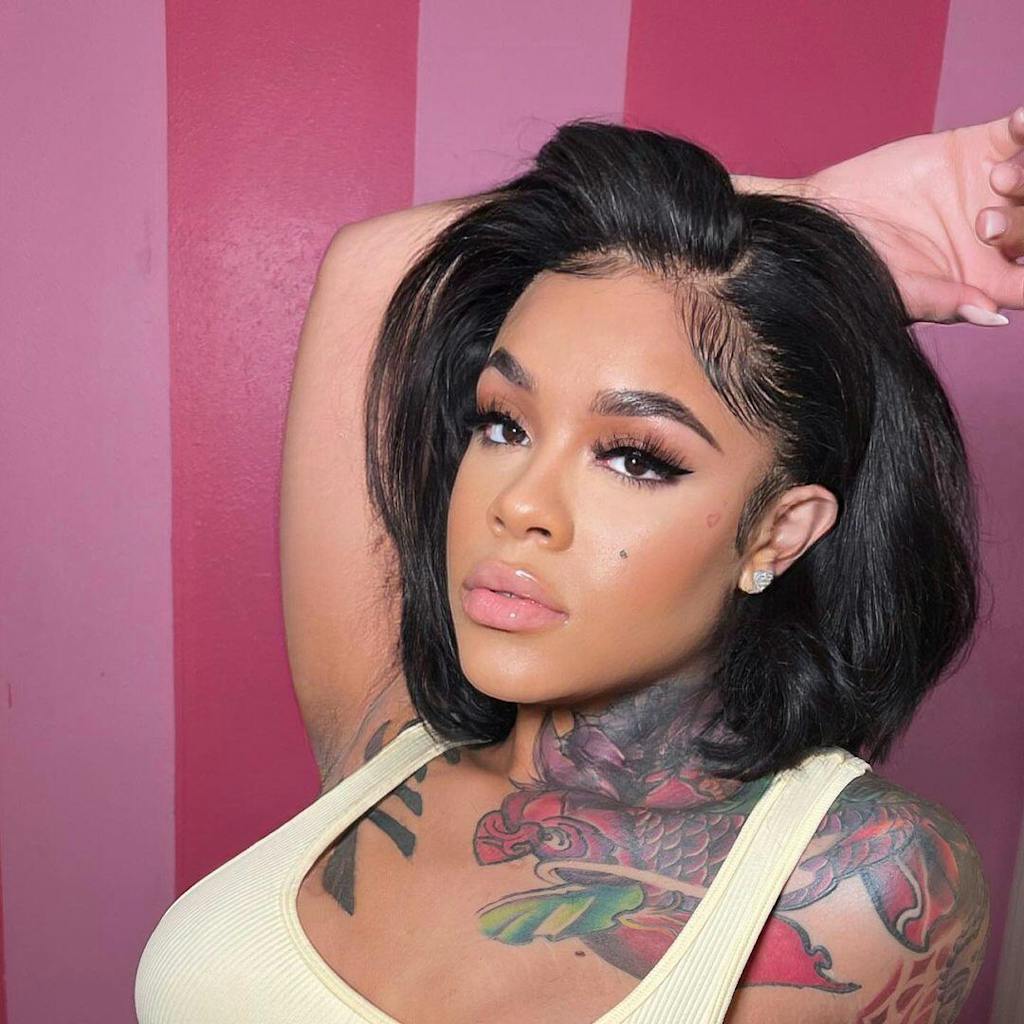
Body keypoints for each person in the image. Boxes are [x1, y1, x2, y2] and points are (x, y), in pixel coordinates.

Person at [136, 108, 1023, 1024]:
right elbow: (375, 268)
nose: (518, 504)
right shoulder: (388, 739)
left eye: (635, 457)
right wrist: (820, 215)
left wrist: (810, 251)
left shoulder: (848, 877)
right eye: (502, 423)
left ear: (777, 533)